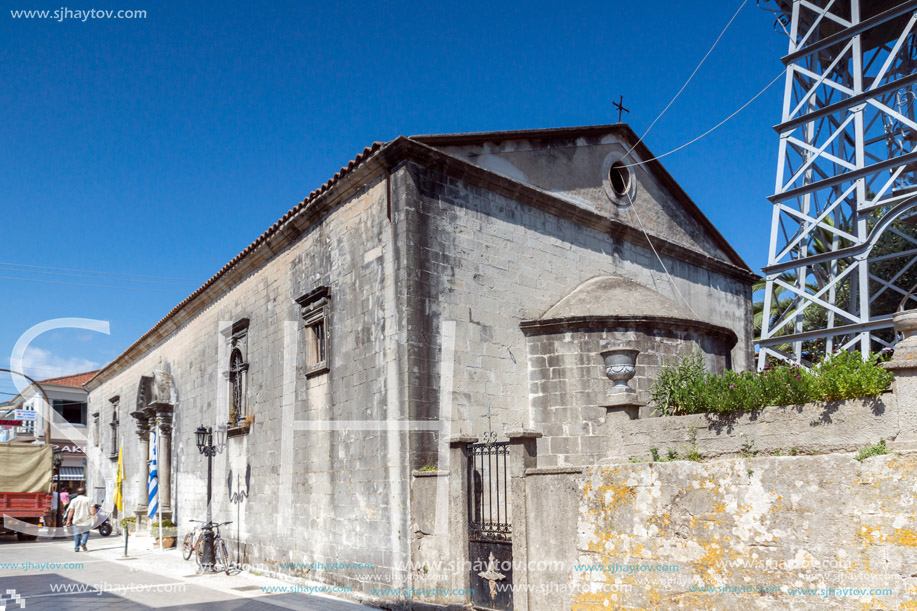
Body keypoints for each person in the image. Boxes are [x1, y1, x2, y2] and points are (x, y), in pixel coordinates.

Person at [65, 487, 93, 552]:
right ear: (85, 492)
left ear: (77, 493)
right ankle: (83, 542)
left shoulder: (74, 500)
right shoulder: (89, 499)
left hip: (77, 519)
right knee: (86, 532)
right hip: (87, 519)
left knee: (77, 533)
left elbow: (71, 511)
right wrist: (95, 516)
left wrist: (68, 520)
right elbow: (93, 509)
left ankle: (76, 548)